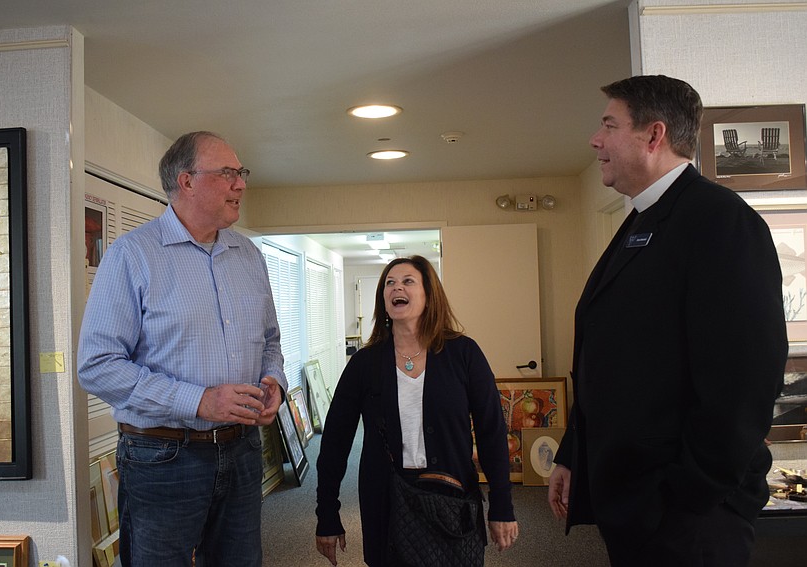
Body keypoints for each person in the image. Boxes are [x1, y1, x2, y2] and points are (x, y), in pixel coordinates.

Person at [548, 75, 787, 567]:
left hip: (689, 518)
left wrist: (686, 495)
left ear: (653, 136)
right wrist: (575, 451)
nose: (596, 140)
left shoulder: (721, 222)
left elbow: (744, 382)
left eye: (609, 126)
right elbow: (613, 359)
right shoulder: (642, 220)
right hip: (643, 506)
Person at [78, 131, 286, 567]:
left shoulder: (249, 255)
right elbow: (97, 366)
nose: (241, 184)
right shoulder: (132, 256)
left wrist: (275, 384)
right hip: (164, 458)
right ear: (186, 181)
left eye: (241, 173)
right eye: (228, 173)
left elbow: (270, 341)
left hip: (244, 448)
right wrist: (200, 400)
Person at [315, 255, 518, 566]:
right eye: (390, 283)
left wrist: (502, 506)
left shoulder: (464, 354)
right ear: (383, 298)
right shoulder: (364, 364)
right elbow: (334, 442)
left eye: (408, 281)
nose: (398, 287)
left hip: (453, 498)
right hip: (385, 499)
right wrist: (327, 513)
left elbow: (492, 432)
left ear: (428, 294)